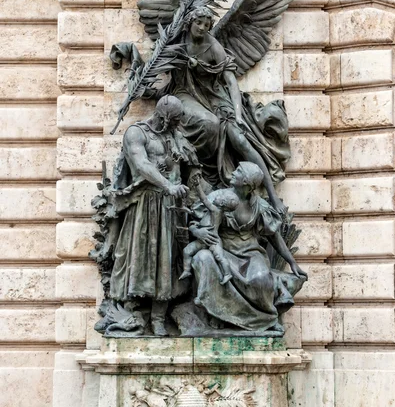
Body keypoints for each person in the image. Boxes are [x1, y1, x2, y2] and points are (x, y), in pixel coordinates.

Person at [143, 6, 290, 214]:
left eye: (206, 24)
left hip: (216, 97)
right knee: (209, 124)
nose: (202, 28)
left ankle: (274, 198)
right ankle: (203, 176)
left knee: (240, 140)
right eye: (198, 23)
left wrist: (238, 115)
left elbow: (230, 81)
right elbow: (154, 68)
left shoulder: (212, 45)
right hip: (185, 93)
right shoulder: (175, 40)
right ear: (189, 22)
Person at [109, 95, 198, 336]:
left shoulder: (174, 136)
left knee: (167, 261)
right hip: (144, 204)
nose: (178, 124)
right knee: (140, 258)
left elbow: (187, 166)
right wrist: (167, 185)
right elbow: (141, 165)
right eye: (175, 120)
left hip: (171, 207)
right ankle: (131, 312)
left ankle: (159, 318)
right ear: (165, 117)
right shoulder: (136, 133)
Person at [190, 162, 308, 333]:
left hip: (251, 253)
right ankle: (219, 315)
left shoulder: (260, 206)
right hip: (223, 249)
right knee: (202, 258)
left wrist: (292, 262)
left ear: (246, 183)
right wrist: (198, 232)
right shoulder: (219, 197)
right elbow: (193, 221)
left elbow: (274, 237)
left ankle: (267, 319)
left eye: (238, 171)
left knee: (261, 278)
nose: (233, 172)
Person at [179, 187, 240, 285]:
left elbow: (204, 200)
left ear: (222, 204)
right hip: (201, 241)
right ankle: (187, 270)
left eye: (219, 197)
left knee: (220, 257)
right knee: (187, 250)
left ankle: (227, 274)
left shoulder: (216, 210)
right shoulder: (213, 211)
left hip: (213, 241)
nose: (216, 197)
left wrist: (198, 187)